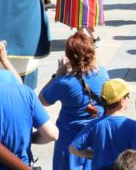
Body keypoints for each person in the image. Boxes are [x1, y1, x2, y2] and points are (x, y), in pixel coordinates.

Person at [39, 32, 110, 170]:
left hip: (70, 140)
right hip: (96, 137)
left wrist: (57, 74)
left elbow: (42, 99)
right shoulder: (103, 73)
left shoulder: (65, 82)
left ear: (69, 56)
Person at [70, 78, 136, 170]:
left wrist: (92, 154)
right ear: (121, 101)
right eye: (128, 96)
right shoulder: (132, 125)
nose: (129, 98)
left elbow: (73, 148)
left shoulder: (94, 124)